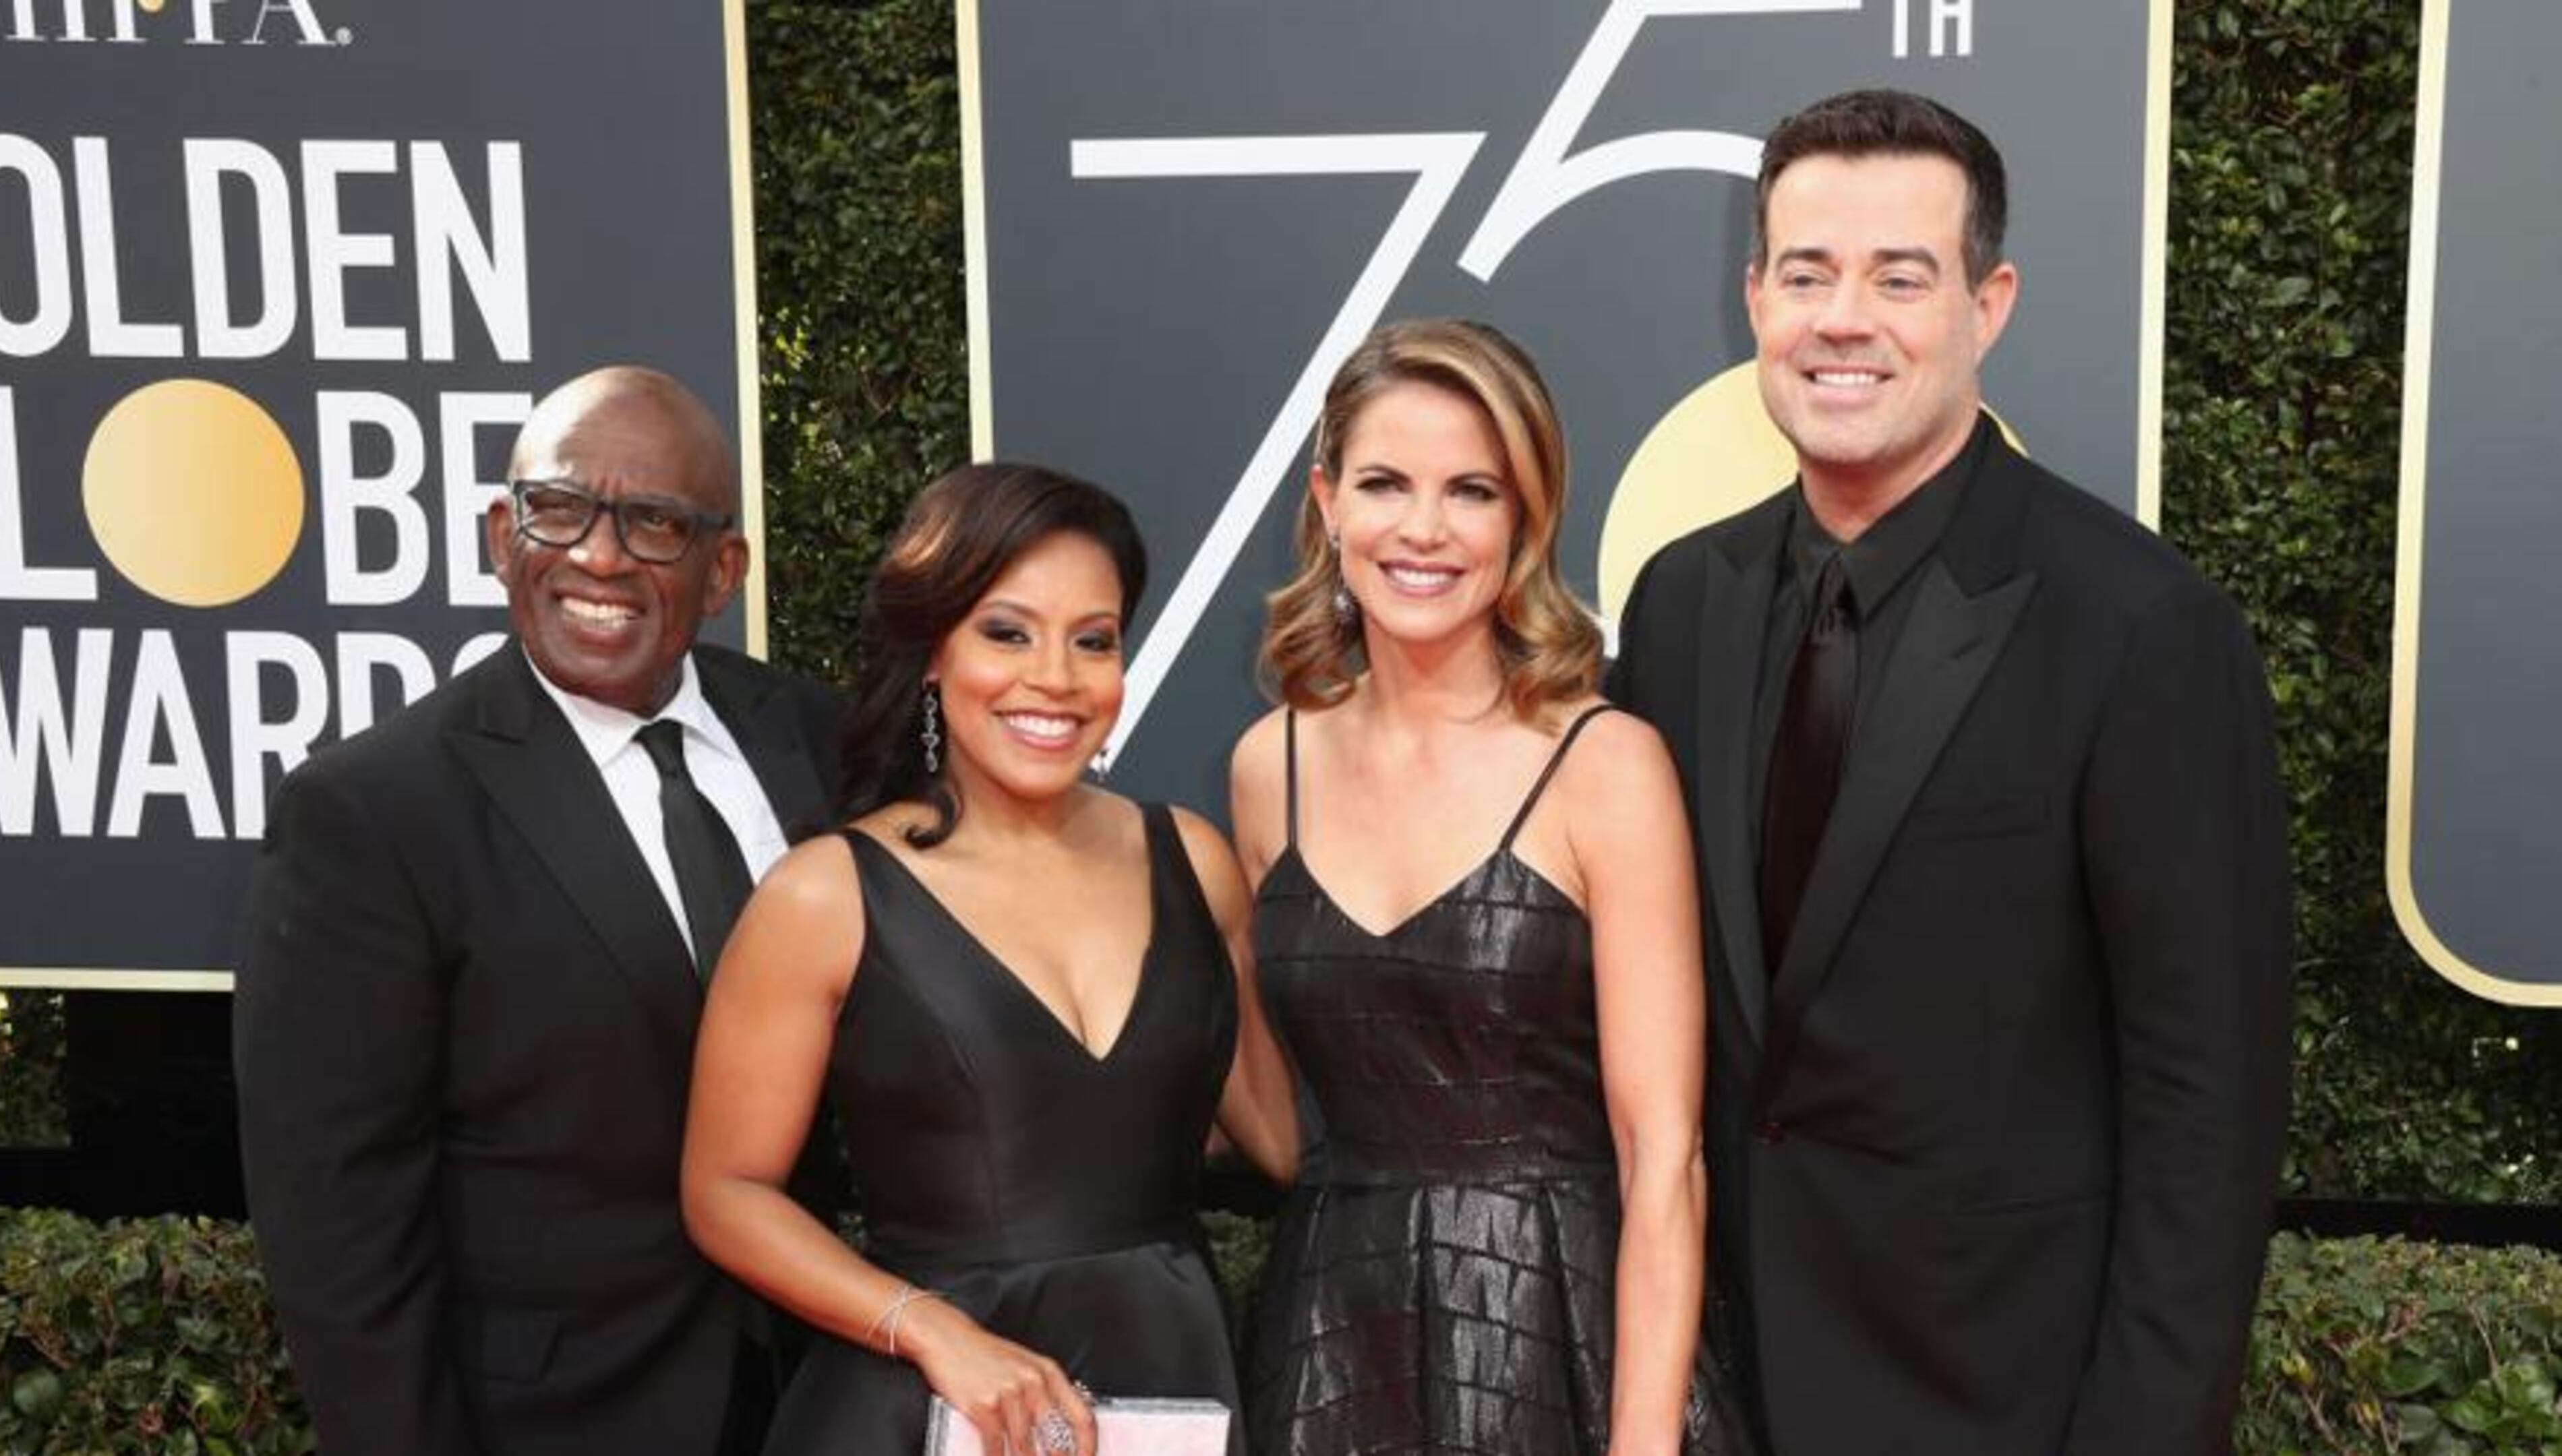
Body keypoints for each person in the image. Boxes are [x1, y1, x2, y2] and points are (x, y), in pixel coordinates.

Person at [1607, 89, 2293, 1455]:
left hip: (2005, 1400)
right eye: (1807, 273)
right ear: (1754, 298)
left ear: (1991, 304)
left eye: (1899, 276)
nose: (1842, 318)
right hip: (1723, 1389)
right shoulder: (1681, 605)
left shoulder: (2140, 626)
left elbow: (2205, 1101)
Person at [235, 366, 847, 1456]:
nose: (599, 556)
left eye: (654, 522)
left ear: (724, 572)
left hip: (825, 1402)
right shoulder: (376, 809)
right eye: (557, 511)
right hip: (551, 1422)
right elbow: (339, 1223)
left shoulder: (815, 739)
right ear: (498, 535)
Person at [679, 462, 1301, 1456]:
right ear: (934, 652)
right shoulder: (826, 895)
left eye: (1092, 641)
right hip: (916, 1409)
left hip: (1167, 1391)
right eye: (1007, 633)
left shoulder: (1195, 861)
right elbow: (726, 1193)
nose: (1054, 677)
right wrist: (934, 1331)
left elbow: (1283, 1142)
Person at [1233, 318, 1729, 1455]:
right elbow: (1270, 1111)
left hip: (1564, 1331)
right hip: (1333, 1337)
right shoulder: (1271, 767)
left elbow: (1666, 1157)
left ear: (1527, 517)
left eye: (1472, 490)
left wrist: (1642, 1443)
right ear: (1327, 501)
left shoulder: (1604, 763)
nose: (1424, 529)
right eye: (1384, 483)